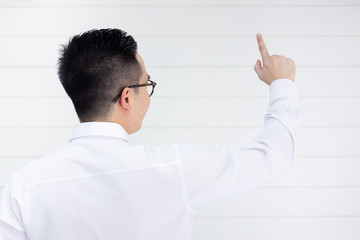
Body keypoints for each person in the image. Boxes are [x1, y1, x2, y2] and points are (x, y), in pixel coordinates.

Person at [0, 29, 299, 240]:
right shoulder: (172, 168)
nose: (150, 95)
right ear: (126, 97)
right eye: (148, 84)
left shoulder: (22, 187)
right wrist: (282, 84)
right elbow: (272, 157)